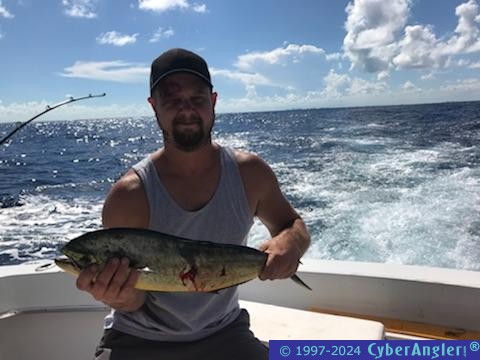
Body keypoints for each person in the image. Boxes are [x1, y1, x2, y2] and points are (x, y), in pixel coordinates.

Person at [76, 48, 311, 360]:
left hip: (225, 333)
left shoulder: (250, 173)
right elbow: (135, 302)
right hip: (139, 340)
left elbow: (292, 224)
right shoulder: (129, 196)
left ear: (212, 102)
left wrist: (290, 242)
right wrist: (120, 297)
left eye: (197, 99)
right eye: (172, 100)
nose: (186, 110)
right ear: (154, 106)